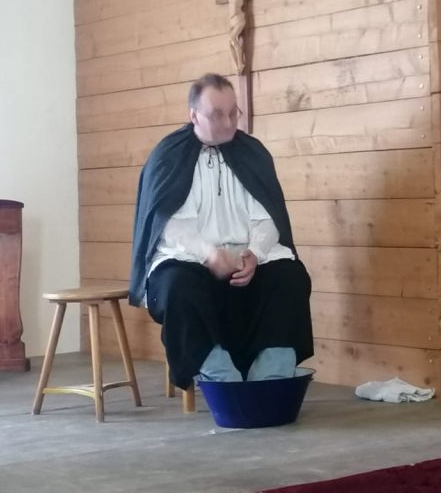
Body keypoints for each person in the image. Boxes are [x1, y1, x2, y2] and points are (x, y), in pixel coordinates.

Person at [128, 73, 313, 389]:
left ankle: (270, 380)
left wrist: (255, 254)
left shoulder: (253, 153)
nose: (228, 123)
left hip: (246, 260)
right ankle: (222, 383)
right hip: (189, 260)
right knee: (177, 287)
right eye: (216, 115)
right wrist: (209, 254)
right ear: (194, 116)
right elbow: (169, 224)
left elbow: (268, 218)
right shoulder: (168, 156)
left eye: (233, 113)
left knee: (290, 278)